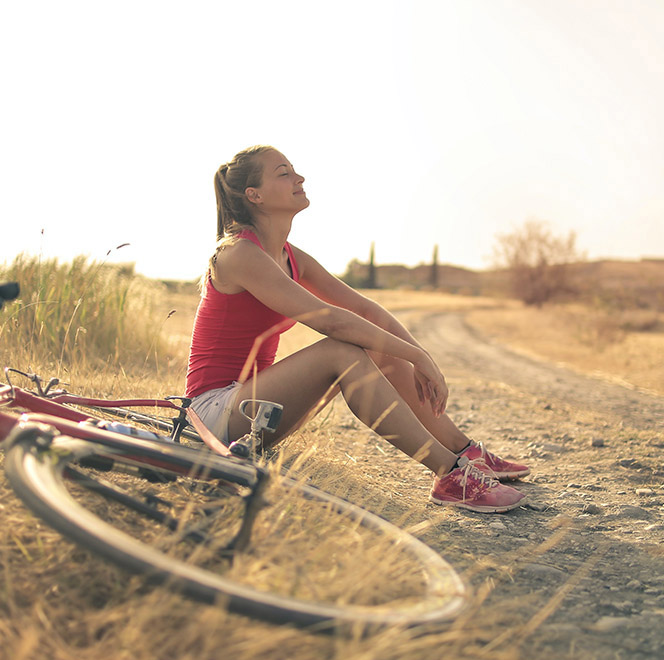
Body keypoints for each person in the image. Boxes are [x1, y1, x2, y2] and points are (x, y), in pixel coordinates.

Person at [185, 145, 530, 513]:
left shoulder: (290, 256)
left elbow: (363, 308)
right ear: (254, 195)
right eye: (283, 173)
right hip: (213, 414)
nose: (299, 178)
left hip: (257, 410)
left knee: (379, 345)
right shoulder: (238, 254)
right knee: (342, 350)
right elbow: (330, 319)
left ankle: (465, 452)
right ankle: (449, 474)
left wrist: (419, 356)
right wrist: (414, 355)